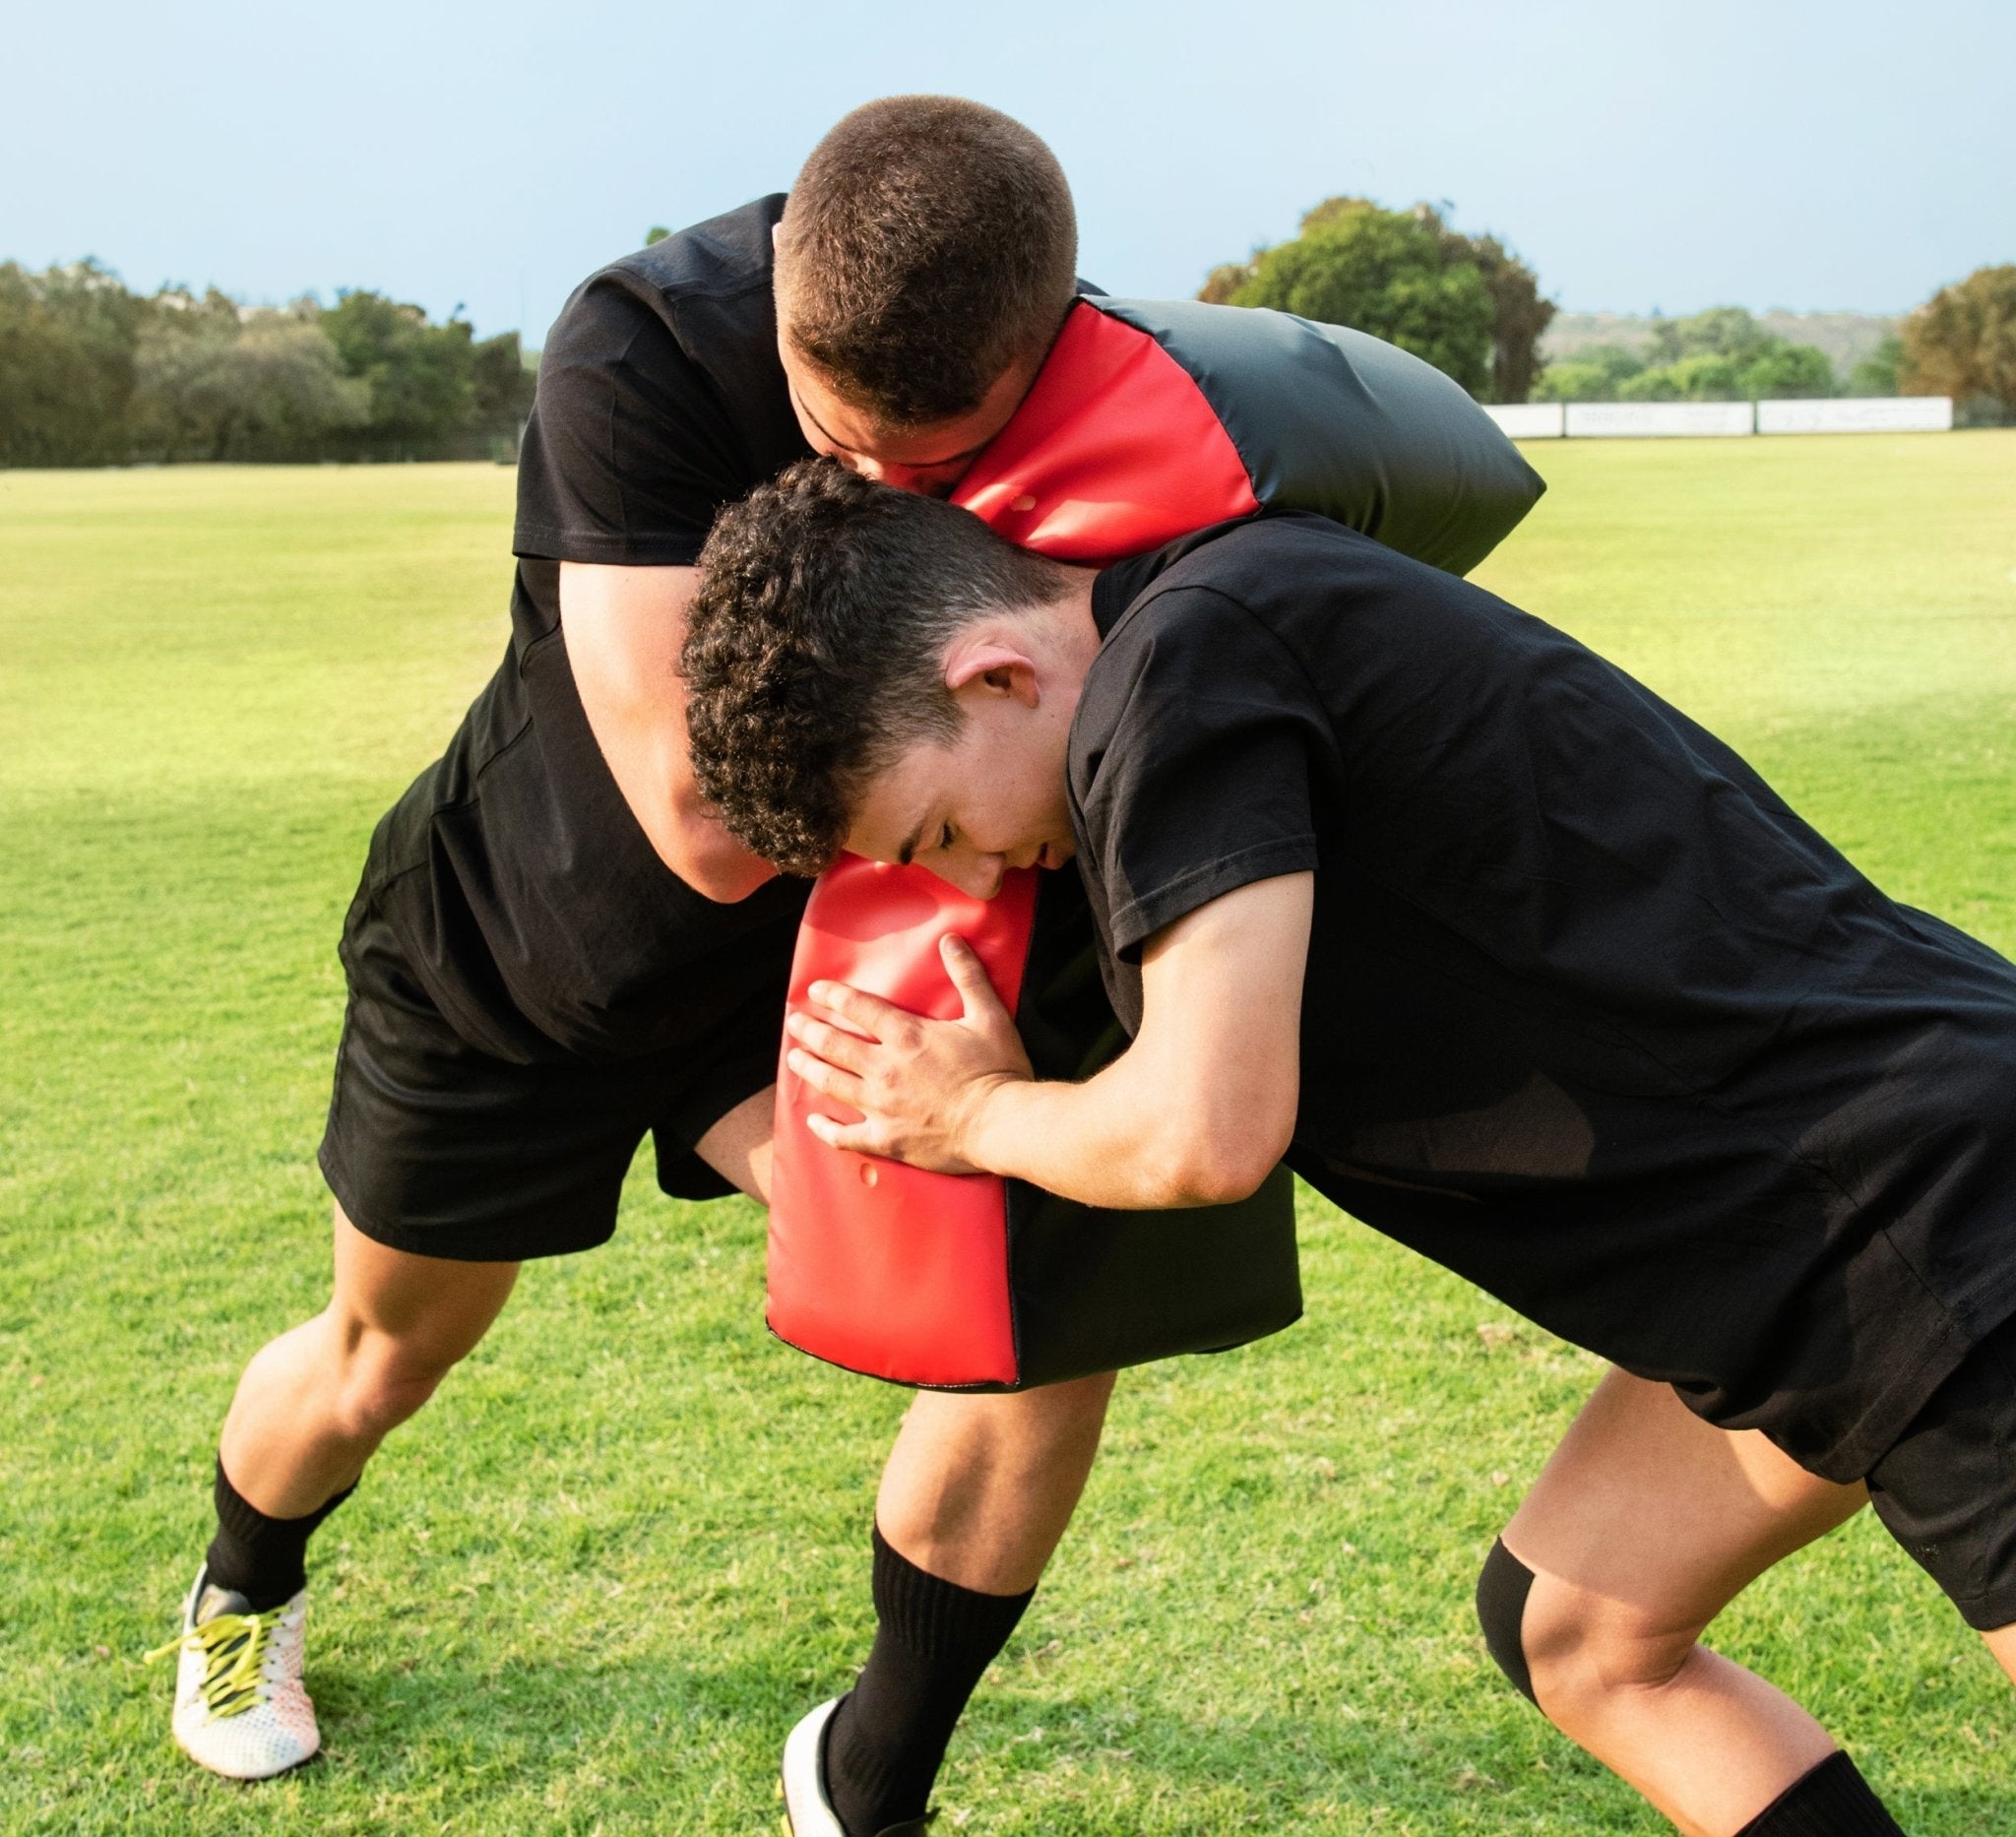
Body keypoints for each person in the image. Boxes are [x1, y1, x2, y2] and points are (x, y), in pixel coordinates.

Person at [162, 93, 1540, 1837]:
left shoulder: (1095, 381)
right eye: (841, 437)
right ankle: (243, 1590)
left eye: (939, 456)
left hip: (830, 991)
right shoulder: (647, 347)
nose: (892, 483)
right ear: (787, 326)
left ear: (1034, 350)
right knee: (383, 1353)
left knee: (1034, 1310)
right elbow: (703, 825)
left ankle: (868, 1776)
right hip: (531, 949)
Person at [680, 462, 2016, 1837]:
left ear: (997, 676)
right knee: (1579, 1636)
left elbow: (1203, 1134)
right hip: (1807, 1253)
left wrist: (969, 1116)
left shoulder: (1182, 673)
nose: (976, 873)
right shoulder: (1239, 598)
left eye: (944, 830)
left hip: (1927, 1218)